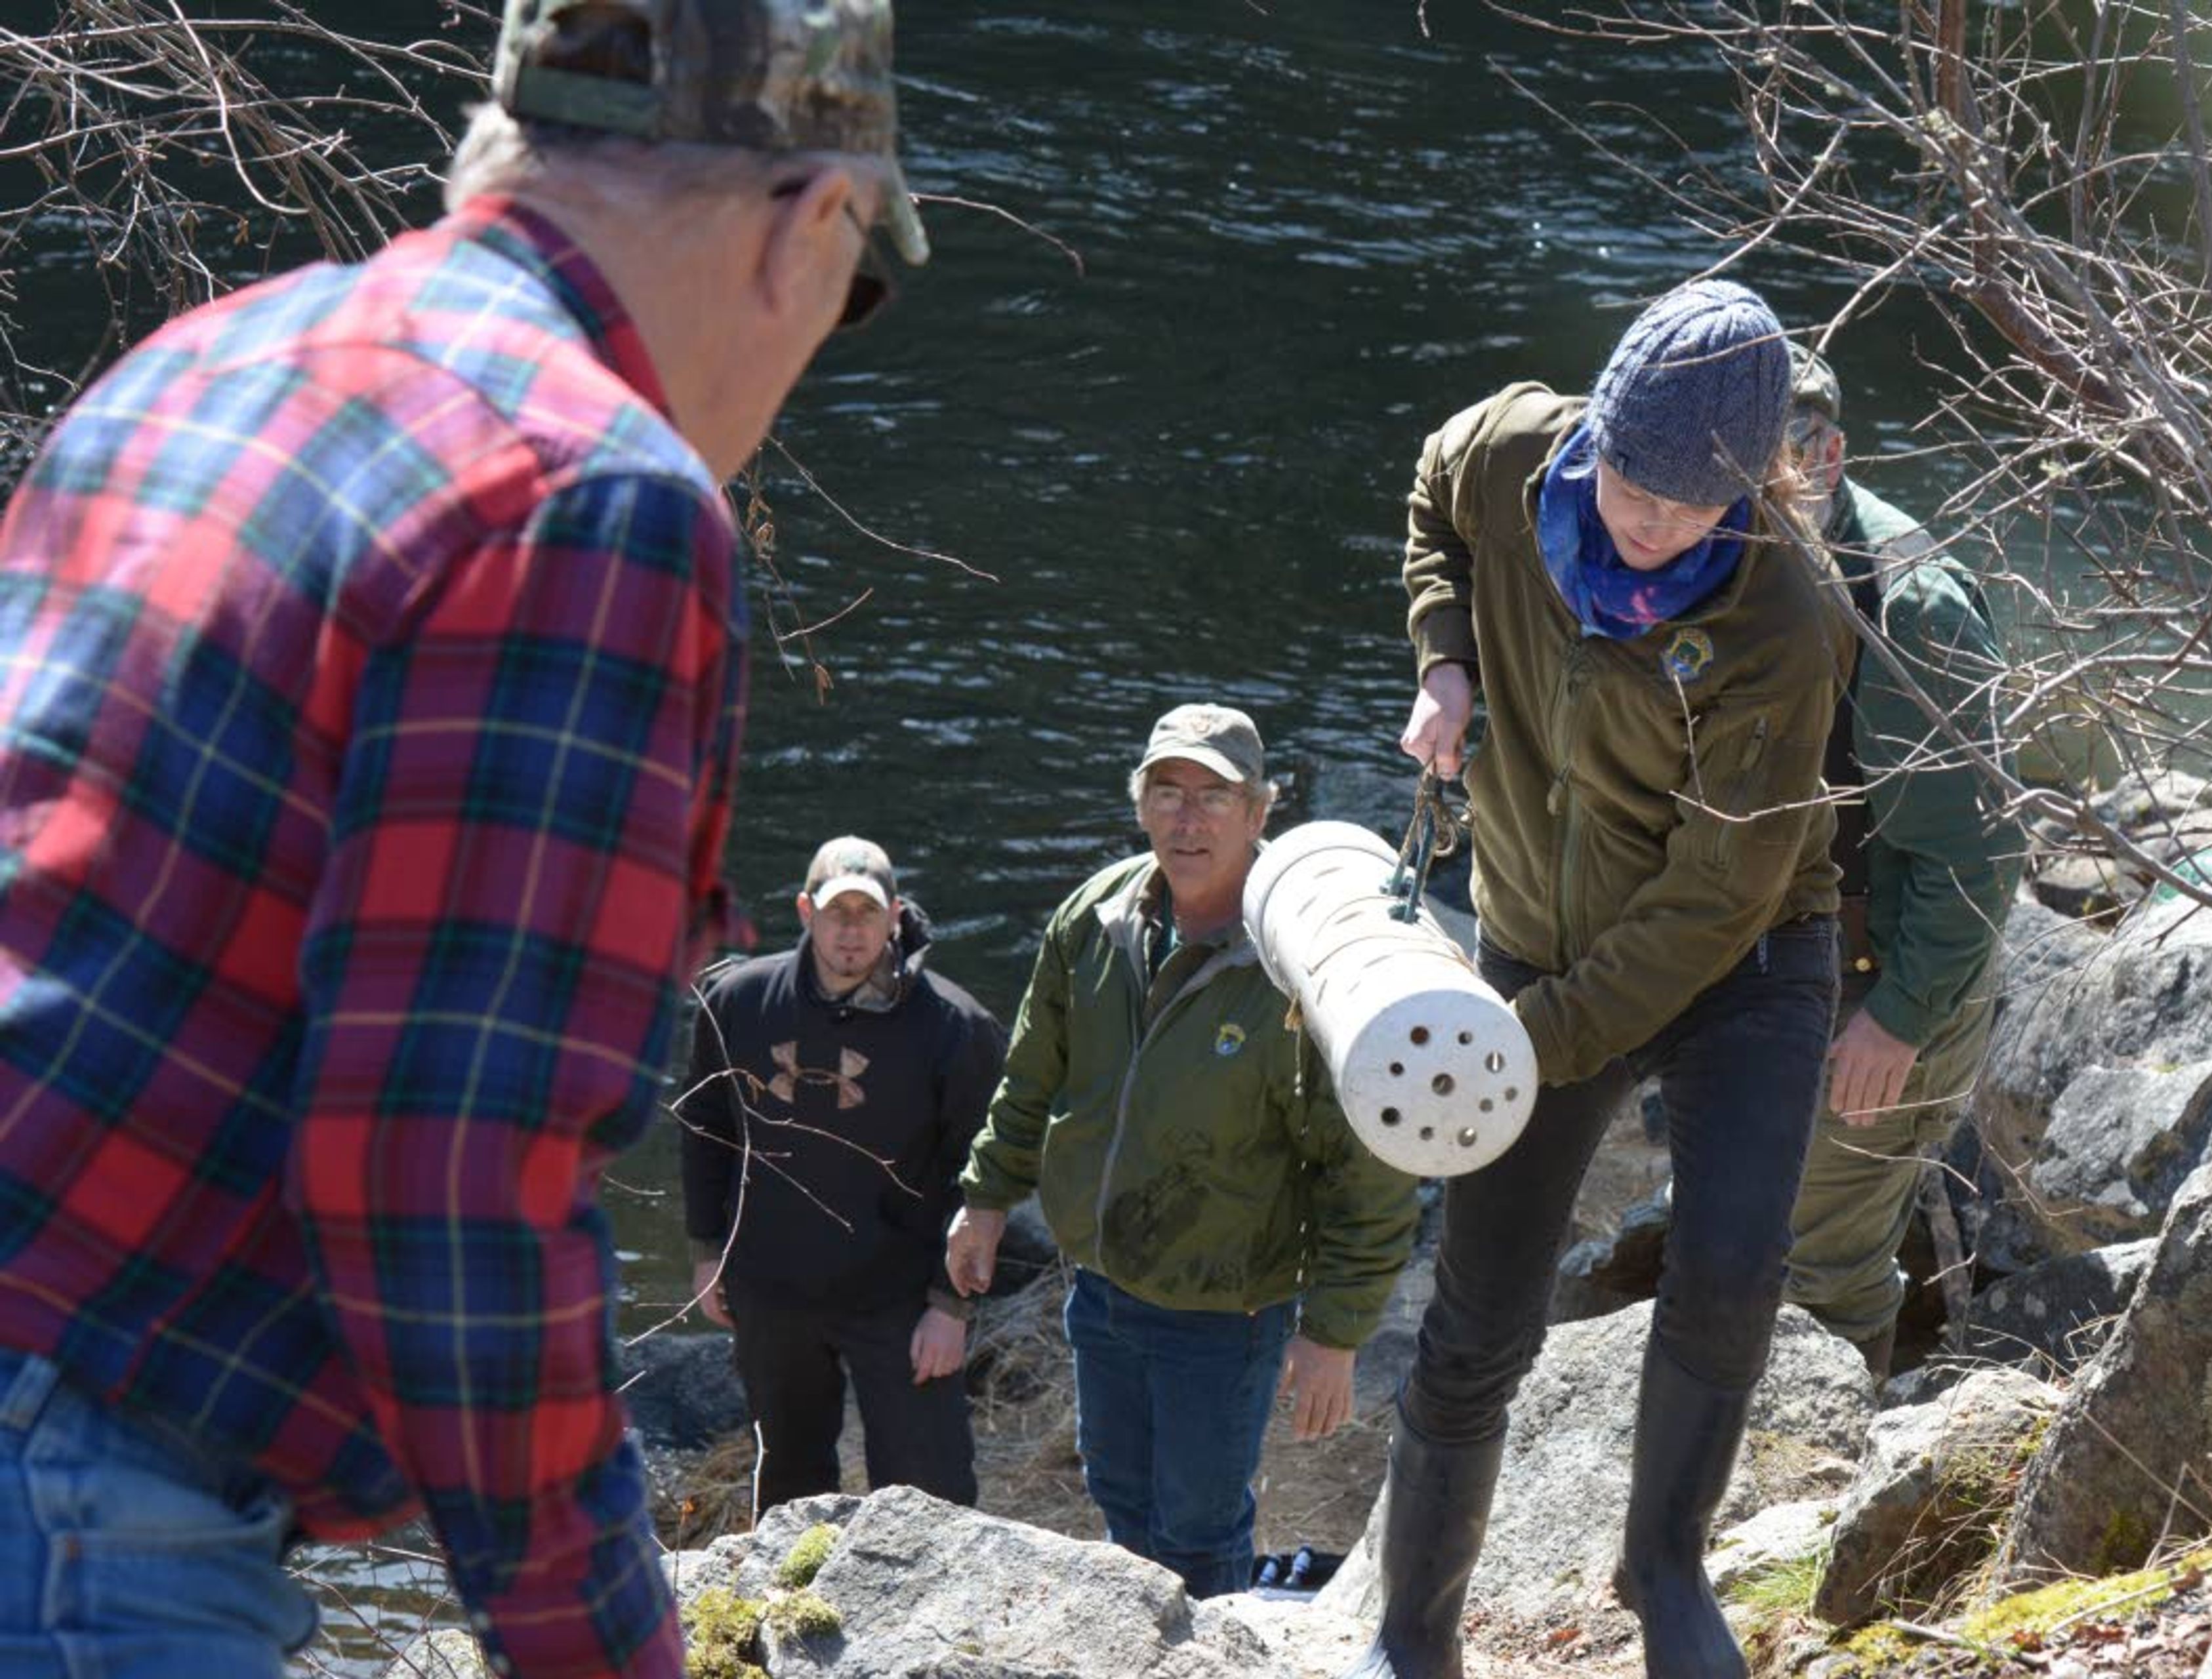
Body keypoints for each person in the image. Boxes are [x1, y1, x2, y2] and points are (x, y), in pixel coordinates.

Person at [0, 3, 929, 1672]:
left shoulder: (199, 361)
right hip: (73, 1481)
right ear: (811, 226)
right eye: (854, 295)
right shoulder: (592, 493)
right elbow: (446, 1179)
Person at [1350, 279, 1849, 1679]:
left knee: (1736, 1258)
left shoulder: (1784, 620)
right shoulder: (1515, 452)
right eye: (1631, 485)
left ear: (1749, 489)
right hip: (1534, 931)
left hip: (1742, 959)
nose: (1646, 523)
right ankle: (1411, 1632)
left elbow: (1709, 899)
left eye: (1688, 510)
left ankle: (1666, 1562)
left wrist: (1529, 1040)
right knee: (1478, 1316)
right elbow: (1430, 492)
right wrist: (1445, 656)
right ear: (1598, 435)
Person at [944, 704, 1420, 1600]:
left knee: (1199, 1532)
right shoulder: (1095, 917)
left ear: (1260, 811)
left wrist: (1333, 1334)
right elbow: (1031, 1072)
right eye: (1168, 792)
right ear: (1141, 804)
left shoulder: (1300, 960)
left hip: (1225, 1310)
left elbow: (1369, 1169)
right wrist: (986, 1197)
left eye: (1213, 795)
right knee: (1120, 1501)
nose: (1187, 818)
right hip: (1101, 1282)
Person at [1777, 345, 2023, 1382]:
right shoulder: (1739, 558)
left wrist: (1901, 1021)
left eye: (1774, 466)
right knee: (1739, 1234)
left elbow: (1982, 854)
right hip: (1787, 964)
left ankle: (1814, 1509)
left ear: (1829, 457)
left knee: (1816, 1272)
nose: (1738, 494)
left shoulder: (1911, 607)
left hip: (1886, 988)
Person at [680, 836, 1006, 1515]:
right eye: (836, 912)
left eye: (867, 912)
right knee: (789, 1491)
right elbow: (706, 1128)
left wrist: (951, 1304)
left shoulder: (956, 1026)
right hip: (773, 1289)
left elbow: (983, 1173)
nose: (850, 930)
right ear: (806, 911)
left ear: (895, 914)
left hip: (902, 1293)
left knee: (928, 1494)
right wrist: (708, 1250)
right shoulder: (737, 1000)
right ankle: (799, 1614)